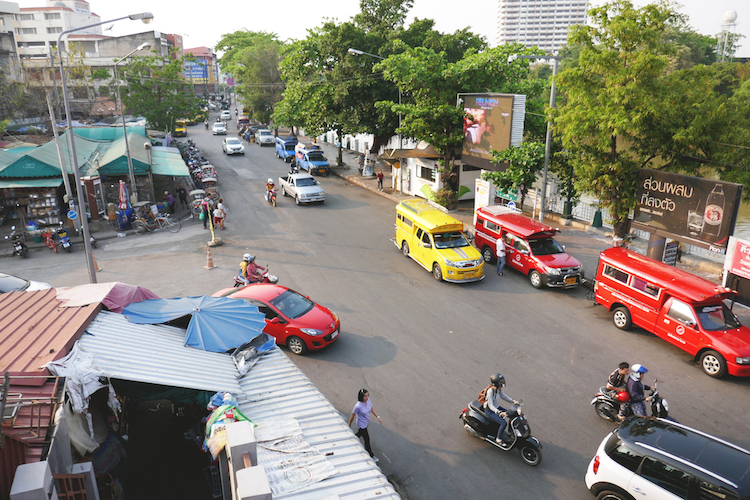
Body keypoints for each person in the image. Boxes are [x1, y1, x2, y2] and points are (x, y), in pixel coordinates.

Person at [483, 373, 519, 445]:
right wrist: (498, 412)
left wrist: (513, 401)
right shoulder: (491, 391)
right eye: (501, 382)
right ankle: (498, 439)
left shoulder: (499, 389)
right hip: (489, 410)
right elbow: (490, 405)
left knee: (512, 415)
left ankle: (510, 432)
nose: (502, 384)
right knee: (503, 423)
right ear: (497, 384)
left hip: (496, 407)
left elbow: (503, 396)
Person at [348, 389, 382, 461]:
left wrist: (378, 417)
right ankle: (371, 455)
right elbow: (352, 415)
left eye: (367, 395)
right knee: (366, 439)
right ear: (361, 397)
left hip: (366, 423)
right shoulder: (358, 406)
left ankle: (351, 440)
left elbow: (372, 408)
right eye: (365, 396)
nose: (367, 397)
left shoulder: (368, 401)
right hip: (361, 424)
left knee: (359, 434)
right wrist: (349, 425)